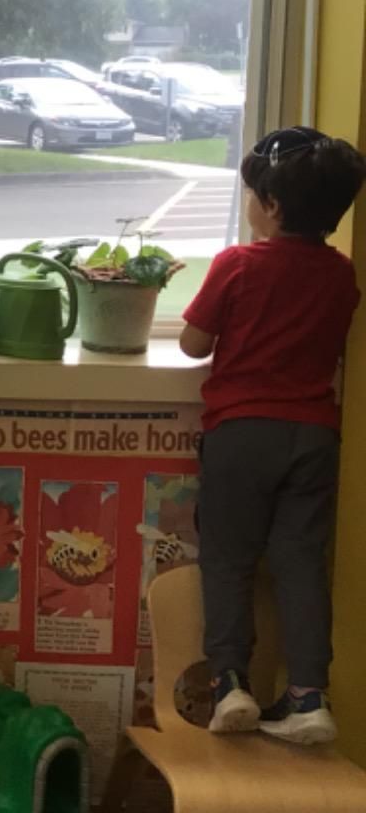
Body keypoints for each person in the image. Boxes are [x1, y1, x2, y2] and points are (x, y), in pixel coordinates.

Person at [180, 126, 366, 746]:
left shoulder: (237, 263)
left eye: (254, 195)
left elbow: (193, 344)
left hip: (241, 433)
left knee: (229, 562)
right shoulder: (341, 276)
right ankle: (309, 697)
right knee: (300, 564)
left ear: (274, 207)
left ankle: (231, 685)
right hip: (314, 436)